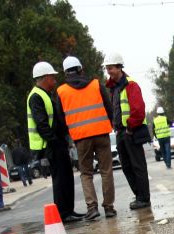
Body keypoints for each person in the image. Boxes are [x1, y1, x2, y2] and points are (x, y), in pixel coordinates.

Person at [56, 56, 116, 220]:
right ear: (81, 69)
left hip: (81, 138)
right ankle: (109, 208)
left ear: (65, 73)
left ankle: (92, 207)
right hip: (102, 133)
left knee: (86, 173)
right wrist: (110, 124)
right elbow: (109, 107)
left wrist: (70, 133)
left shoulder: (61, 91)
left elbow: (61, 118)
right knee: (106, 171)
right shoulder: (96, 84)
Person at [27, 61, 84, 222]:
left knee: (66, 176)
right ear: (45, 78)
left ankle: (68, 210)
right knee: (60, 179)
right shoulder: (36, 96)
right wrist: (55, 141)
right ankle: (63, 213)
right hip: (51, 145)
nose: (54, 81)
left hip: (57, 143)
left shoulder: (44, 94)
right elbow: (42, 124)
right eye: (52, 78)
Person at [104, 52, 151, 210]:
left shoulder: (130, 85)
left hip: (131, 131)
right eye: (107, 68)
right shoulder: (114, 87)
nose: (108, 71)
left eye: (110, 68)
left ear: (119, 67)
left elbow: (138, 110)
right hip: (121, 132)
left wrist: (130, 128)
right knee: (127, 166)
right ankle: (139, 195)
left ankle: (143, 198)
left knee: (137, 166)